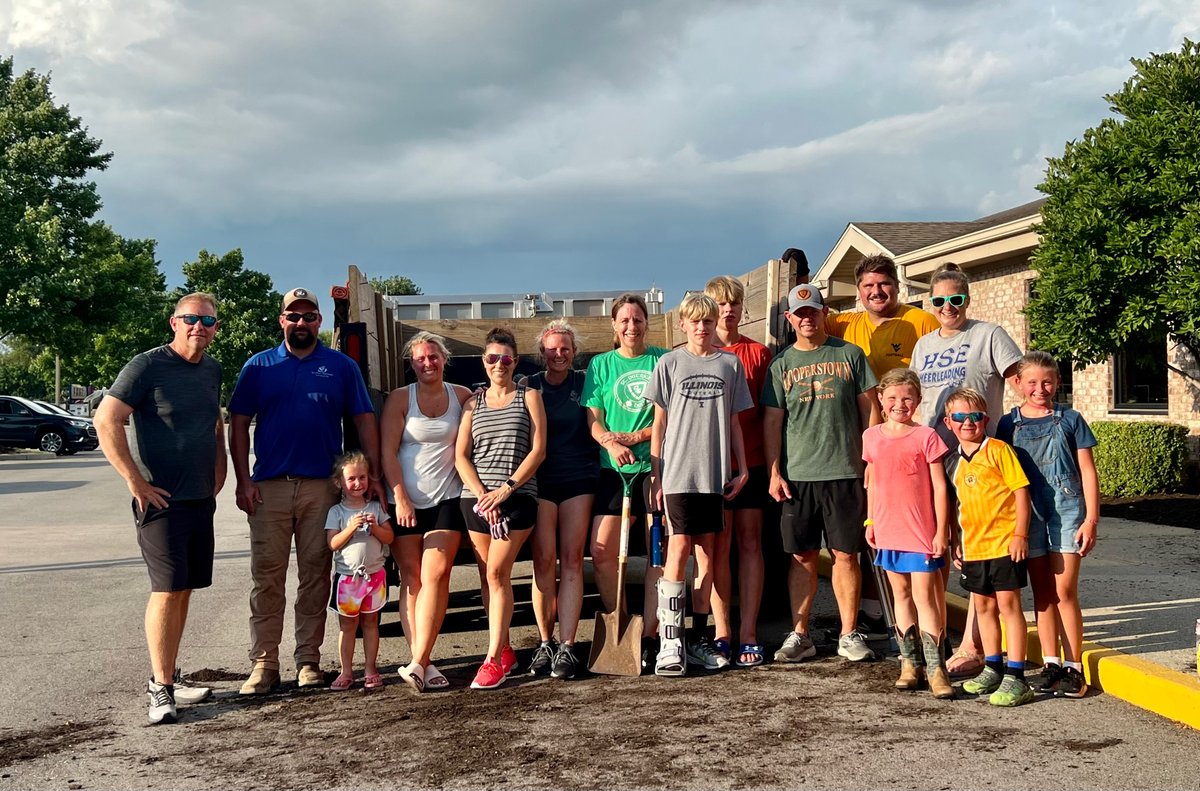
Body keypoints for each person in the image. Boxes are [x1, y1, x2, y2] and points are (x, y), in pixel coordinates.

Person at [228, 287, 383, 695]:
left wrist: (377, 474)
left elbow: (364, 419)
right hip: (269, 488)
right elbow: (239, 424)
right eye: (293, 316)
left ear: (320, 321)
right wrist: (243, 480)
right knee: (268, 577)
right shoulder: (258, 367)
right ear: (281, 320)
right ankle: (264, 663)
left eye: (309, 316)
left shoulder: (340, 366)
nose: (301, 323)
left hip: (321, 489)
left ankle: (308, 661)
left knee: (315, 575)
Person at [95, 292, 226, 724]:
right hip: (161, 500)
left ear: (215, 328)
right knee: (167, 589)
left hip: (198, 498)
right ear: (174, 322)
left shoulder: (211, 369)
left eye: (207, 322)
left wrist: (220, 464)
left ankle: (171, 673)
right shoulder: (147, 365)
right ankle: (159, 687)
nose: (199, 327)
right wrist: (136, 482)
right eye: (191, 319)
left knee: (185, 587)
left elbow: (213, 421)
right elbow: (106, 419)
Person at [910, 263, 1023, 678]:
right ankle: (935, 638)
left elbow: (1019, 378)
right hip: (937, 457)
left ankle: (972, 644)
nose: (947, 307)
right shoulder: (923, 345)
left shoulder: (988, 334)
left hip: (979, 458)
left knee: (977, 549)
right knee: (943, 546)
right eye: (938, 300)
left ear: (967, 299)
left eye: (955, 299)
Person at [762, 284, 878, 664]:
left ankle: (848, 633)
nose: (807, 317)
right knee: (802, 557)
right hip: (799, 475)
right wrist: (775, 471)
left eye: (813, 310)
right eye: (800, 312)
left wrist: (871, 461)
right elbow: (773, 422)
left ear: (823, 312)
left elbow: (869, 411)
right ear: (789, 319)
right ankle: (800, 635)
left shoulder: (850, 355)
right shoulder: (781, 365)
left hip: (845, 471)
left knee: (846, 555)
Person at [826, 253, 940, 638]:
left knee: (924, 530)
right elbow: (806, 311)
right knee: (877, 527)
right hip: (875, 443)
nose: (877, 292)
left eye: (884, 284)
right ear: (858, 292)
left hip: (917, 442)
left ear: (897, 286)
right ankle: (878, 611)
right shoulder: (845, 323)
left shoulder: (920, 321)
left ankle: (931, 625)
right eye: (868, 286)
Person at [646, 294, 752, 676]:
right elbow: (659, 424)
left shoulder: (730, 363)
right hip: (677, 473)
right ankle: (670, 643)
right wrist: (656, 476)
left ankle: (699, 637)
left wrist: (741, 469)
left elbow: (736, 421)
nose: (702, 328)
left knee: (709, 555)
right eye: (695, 322)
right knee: (677, 550)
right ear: (684, 325)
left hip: (714, 475)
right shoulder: (669, 363)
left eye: (708, 322)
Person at [996, 351, 1100, 698]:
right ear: (1018, 384)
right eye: (1032, 382)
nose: (1040, 388)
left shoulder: (1070, 419)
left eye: (1047, 381)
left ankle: (1074, 666)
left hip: (1068, 511)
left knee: (1065, 592)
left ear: (1057, 382)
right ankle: (1051, 663)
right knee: (1041, 594)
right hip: (1029, 515)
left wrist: (1091, 518)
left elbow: (1087, 471)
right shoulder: (1008, 424)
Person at [381, 332, 472, 693]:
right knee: (412, 579)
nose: (427, 363)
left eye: (433, 357)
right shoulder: (400, 399)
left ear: (444, 359)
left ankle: (418, 659)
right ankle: (426, 662)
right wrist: (400, 497)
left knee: (437, 575)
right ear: (412, 363)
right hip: (405, 499)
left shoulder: (462, 396)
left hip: (447, 498)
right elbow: (387, 452)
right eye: (420, 359)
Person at [456, 328, 547, 690]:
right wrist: (482, 495)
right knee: (487, 576)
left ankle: (493, 659)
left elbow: (538, 450)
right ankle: (505, 648)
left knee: (497, 572)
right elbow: (462, 455)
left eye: (506, 358)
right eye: (492, 358)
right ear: (484, 361)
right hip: (476, 500)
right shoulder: (472, 404)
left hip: (518, 498)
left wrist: (505, 490)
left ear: (515, 362)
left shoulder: (529, 397)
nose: (499, 364)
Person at [582, 293, 669, 670]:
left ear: (646, 323)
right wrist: (610, 443)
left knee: (656, 552)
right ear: (614, 327)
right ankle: (621, 619)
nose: (631, 326)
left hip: (653, 466)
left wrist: (634, 439)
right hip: (612, 470)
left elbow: (669, 417)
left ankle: (650, 634)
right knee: (601, 551)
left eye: (638, 319)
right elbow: (593, 418)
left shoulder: (662, 360)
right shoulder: (600, 365)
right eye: (624, 321)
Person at [862, 368, 953, 698]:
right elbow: (871, 482)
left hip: (920, 531)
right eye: (893, 399)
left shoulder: (926, 436)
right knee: (899, 595)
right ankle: (909, 663)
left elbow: (940, 487)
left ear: (917, 401)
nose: (900, 404)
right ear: (882, 402)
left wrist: (941, 531)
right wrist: (870, 522)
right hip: (887, 528)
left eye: (907, 398)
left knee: (925, 597)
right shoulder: (871, 437)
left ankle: (936, 669)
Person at [944, 387, 1034, 707]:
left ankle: (1017, 675)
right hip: (973, 547)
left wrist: (1020, 535)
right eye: (960, 417)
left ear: (986, 419)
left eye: (975, 416)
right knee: (983, 608)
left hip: (1004, 545)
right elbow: (955, 505)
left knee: (1009, 608)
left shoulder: (998, 450)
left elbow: (1021, 494)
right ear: (948, 422)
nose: (968, 422)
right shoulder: (952, 461)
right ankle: (992, 667)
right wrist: (956, 541)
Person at [704, 275, 773, 668]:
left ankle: (749, 631)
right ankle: (722, 631)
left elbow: (767, 415)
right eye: (721, 303)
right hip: (711, 466)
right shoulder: (695, 353)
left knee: (750, 545)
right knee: (718, 550)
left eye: (734, 303)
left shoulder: (758, 354)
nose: (728, 310)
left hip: (752, 463)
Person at [524, 319, 599, 680]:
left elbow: (597, 422)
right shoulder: (529, 386)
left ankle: (568, 645)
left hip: (578, 479)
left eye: (565, 348)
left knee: (571, 560)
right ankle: (544, 642)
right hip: (540, 482)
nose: (559, 354)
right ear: (542, 353)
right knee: (543, 561)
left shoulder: (585, 383)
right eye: (552, 349)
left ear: (574, 352)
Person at [325, 451, 395, 690]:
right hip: (347, 580)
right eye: (351, 479)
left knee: (371, 623)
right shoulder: (336, 512)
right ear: (339, 483)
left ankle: (370, 669)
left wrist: (375, 527)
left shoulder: (376, 508)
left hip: (375, 577)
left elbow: (390, 537)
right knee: (347, 627)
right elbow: (332, 544)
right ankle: (346, 671)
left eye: (362, 478)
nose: (357, 483)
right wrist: (350, 528)